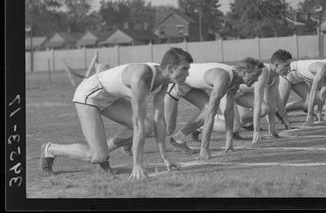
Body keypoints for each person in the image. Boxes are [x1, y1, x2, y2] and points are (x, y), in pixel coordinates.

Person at [39, 47, 192, 181]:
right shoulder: (142, 77)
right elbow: (136, 123)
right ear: (171, 68)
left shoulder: (164, 81)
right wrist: (137, 165)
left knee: (148, 126)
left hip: (110, 97)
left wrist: (165, 158)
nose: (188, 74)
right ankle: (51, 149)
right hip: (89, 95)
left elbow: (160, 121)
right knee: (97, 156)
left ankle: (104, 154)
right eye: (184, 69)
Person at [164, 58, 264, 162]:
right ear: (245, 72)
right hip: (176, 82)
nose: (257, 80)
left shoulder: (235, 80)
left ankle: (178, 139)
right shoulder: (223, 77)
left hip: (188, 84)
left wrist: (229, 141)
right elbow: (211, 114)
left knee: (208, 109)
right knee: (168, 129)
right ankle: (146, 127)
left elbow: (229, 110)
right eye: (256, 76)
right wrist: (204, 148)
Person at [212, 49, 293, 143]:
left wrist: (272, 127)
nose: (289, 68)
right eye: (286, 65)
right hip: (228, 91)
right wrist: (256, 131)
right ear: (276, 65)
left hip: (241, 94)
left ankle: (238, 121)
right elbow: (257, 102)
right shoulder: (263, 73)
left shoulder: (275, 78)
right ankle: (203, 124)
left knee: (266, 108)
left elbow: (273, 103)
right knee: (234, 127)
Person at [278, 56, 326, 127]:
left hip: (298, 79)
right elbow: (313, 90)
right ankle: (272, 122)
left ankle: (282, 111)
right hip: (288, 74)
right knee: (279, 107)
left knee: (311, 101)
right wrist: (310, 114)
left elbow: (323, 93)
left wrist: (319, 112)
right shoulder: (323, 69)